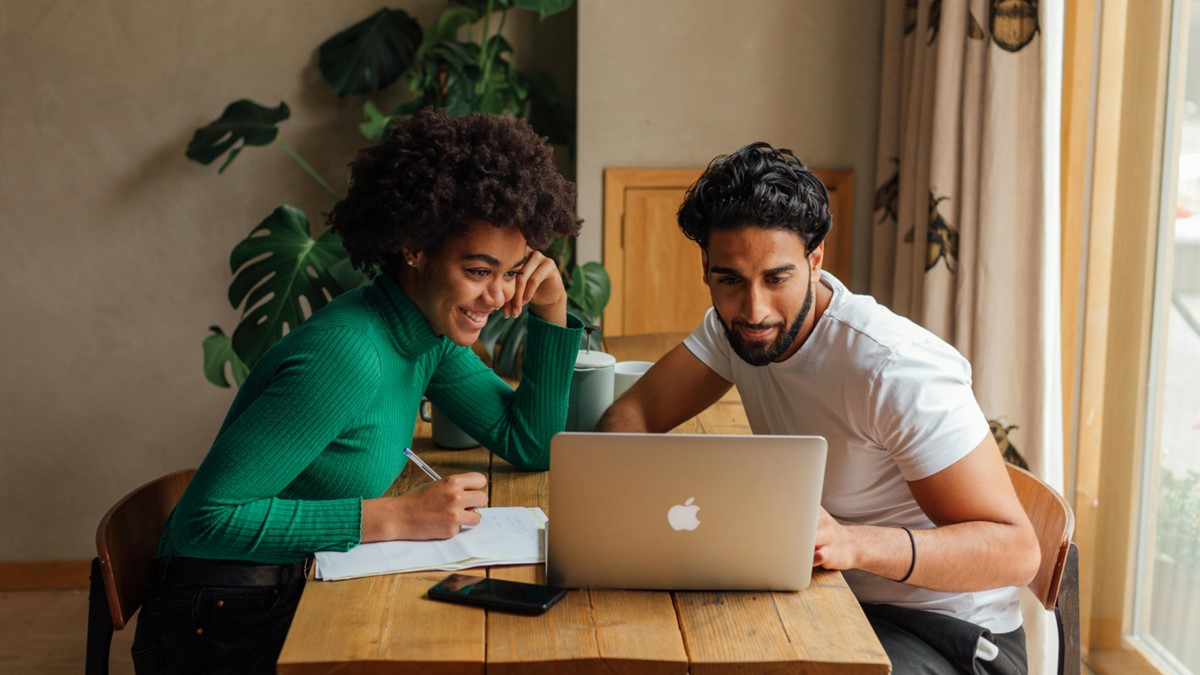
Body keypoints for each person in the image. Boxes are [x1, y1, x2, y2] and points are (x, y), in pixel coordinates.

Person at [131, 108, 585, 674]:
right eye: (478, 270)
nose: (497, 296)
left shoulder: (425, 334)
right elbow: (206, 521)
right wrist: (395, 517)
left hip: (296, 587)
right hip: (221, 620)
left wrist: (550, 307)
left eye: (513, 271)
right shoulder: (348, 357)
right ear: (416, 246)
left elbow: (530, 443)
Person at [598, 142, 1041, 674]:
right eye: (730, 280)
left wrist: (854, 544)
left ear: (815, 259)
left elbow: (1016, 551)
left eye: (776, 278)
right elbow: (635, 412)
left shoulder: (893, 368)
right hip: (828, 600)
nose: (754, 309)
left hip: (950, 635)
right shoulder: (732, 327)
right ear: (707, 268)